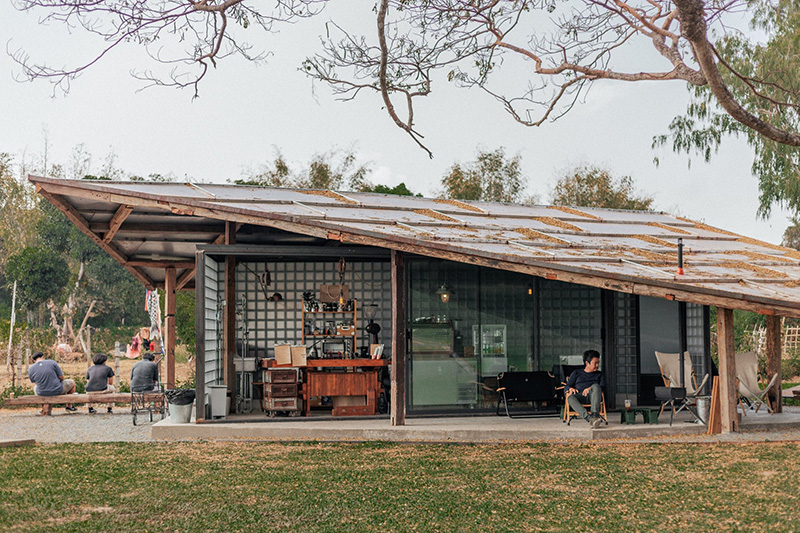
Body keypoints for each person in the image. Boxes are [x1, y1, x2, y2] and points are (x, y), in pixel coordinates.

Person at [565, 349, 606, 429]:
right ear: (587, 363)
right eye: (595, 363)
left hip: (594, 397)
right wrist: (570, 388)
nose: (597, 365)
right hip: (580, 396)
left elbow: (603, 386)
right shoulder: (576, 373)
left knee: (596, 386)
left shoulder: (600, 374)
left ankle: (594, 415)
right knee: (570, 398)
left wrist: (590, 388)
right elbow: (567, 386)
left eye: (598, 363)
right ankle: (590, 419)